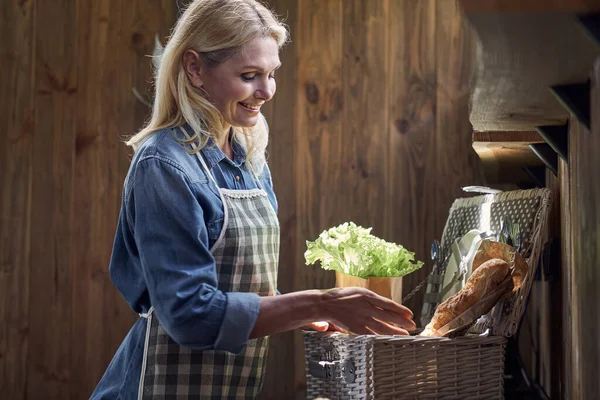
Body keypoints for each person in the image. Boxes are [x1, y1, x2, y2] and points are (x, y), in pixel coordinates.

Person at [91, 0, 415, 398]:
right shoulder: (163, 164)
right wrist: (319, 304)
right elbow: (190, 315)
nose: (266, 91)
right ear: (195, 68)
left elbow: (241, 286)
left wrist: (307, 315)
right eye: (249, 75)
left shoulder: (250, 160)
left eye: (271, 74)